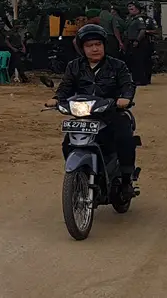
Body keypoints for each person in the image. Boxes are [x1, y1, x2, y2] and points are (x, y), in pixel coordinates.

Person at [45, 23, 138, 191]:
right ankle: (79, 176)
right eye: (89, 46)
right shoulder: (74, 66)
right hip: (84, 116)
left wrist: (125, 98)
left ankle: (126, 179)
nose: (95, 49)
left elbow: (127, 84)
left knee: (124, 138)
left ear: (104, 45)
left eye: (98, 44)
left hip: (111, 113)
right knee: (68, 144)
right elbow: (65, 87)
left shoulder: (118, 65)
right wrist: (56, 99)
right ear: (82, 48)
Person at [124, 2, 151, 86]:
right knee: (133, 61)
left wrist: (137, 40)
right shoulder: (130, 19)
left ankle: (140, 79)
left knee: (139, 61)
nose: (130, 10)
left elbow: (142, 30)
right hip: (130, 42)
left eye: (132, 8)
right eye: (129, 9)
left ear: (137, 9)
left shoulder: (139, 19)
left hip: (138, 43)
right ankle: (136, 79)